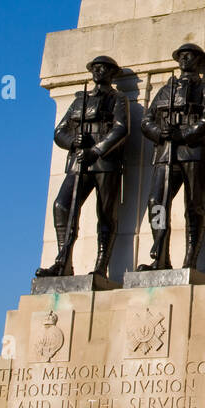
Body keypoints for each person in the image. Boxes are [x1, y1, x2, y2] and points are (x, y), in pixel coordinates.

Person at [35, 55, 129, 279]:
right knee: (62, 206)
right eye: (96, 68)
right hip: (79, 162)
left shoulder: (117, 99)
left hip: (105, 162)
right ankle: (63, 261)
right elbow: (60, 131)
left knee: (105, 214)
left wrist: (96, 150)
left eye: (104, 68)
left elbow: (120, 128)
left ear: (112, 73)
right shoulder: (80, 100)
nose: (99, 72)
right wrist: (72, 142)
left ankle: (100, 266)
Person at [138, 43, 205, 271]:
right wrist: (159, 133)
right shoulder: (166, 90)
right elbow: (147, 121)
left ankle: (190, 261)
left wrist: (184, 133)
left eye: (190, 55)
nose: (185, 59)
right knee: (157, 203)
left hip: (193, 152)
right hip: (166, 152)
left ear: (198, 60)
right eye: (182, 56)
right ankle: (161, 258)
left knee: (193, 206)